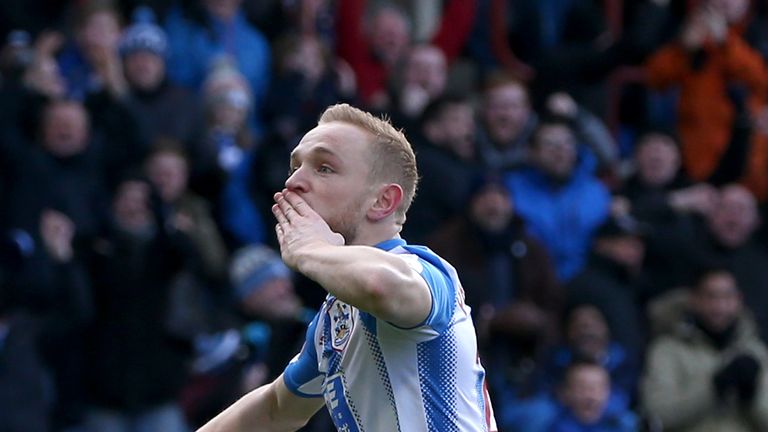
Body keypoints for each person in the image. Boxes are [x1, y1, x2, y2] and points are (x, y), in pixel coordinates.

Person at [198, 103, 497, 431]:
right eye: (294, 167)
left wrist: (311, 249)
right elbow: (276, 408)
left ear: (382, 201)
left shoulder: (424, 271)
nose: (295, 181)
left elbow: (380, 285)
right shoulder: (333, 317)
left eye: (324, 168)